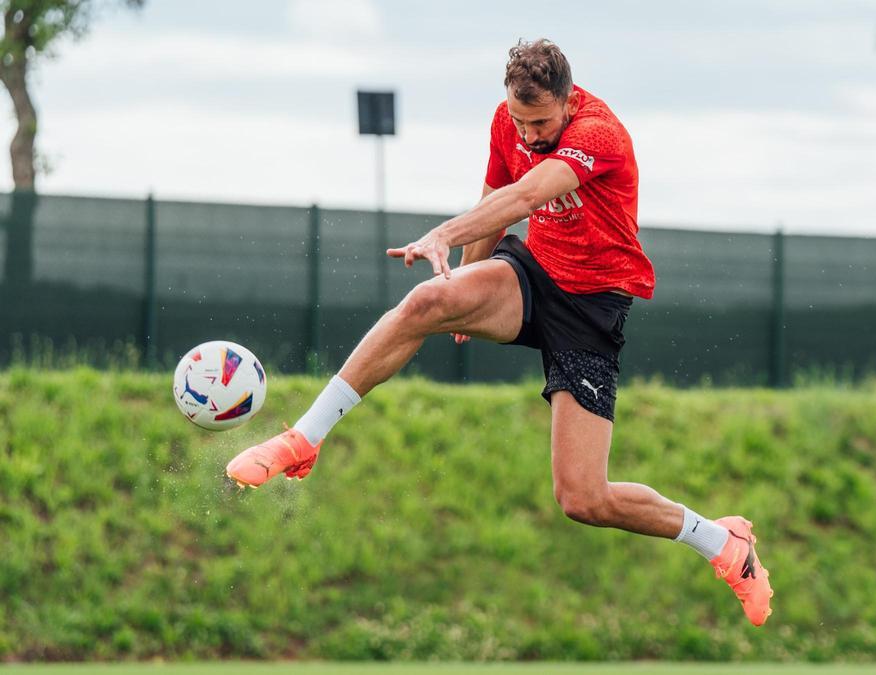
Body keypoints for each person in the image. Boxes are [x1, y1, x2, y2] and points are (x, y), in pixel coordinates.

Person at [226, 38, 773, 626]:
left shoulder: (598, 134)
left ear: (568, 102)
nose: (530, 134)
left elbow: (525, 195)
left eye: (540, 122)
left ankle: (720, 543)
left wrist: (441, 233)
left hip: (592, 309)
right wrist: (463, 282)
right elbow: (495, 192)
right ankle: (303, 439)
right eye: (520, 119)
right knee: (425, 302)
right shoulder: (508, 121)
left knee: (583, 499)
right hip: (534, 278)